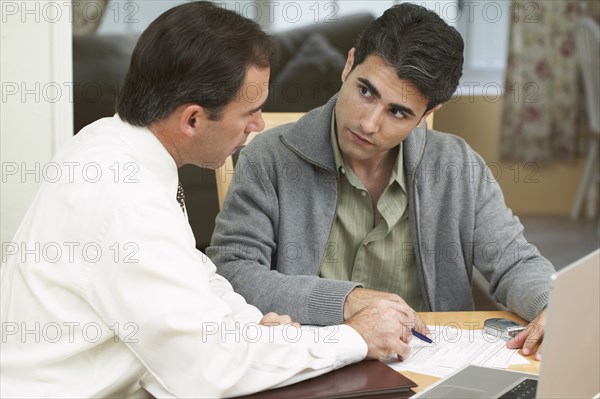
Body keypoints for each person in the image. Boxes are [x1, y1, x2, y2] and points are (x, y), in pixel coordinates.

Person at [0, 2, 426, 398]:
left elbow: (193, 274)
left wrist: (255, 328)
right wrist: (355, 337)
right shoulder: (125, 200)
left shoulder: (113, 144)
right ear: (192, 120)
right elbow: (206, 372)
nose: (259, 124)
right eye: (250, 112)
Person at [207, 3, 555, 361]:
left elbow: (515, 261)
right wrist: (347, 300)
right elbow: (234, 271)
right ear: (349, 64)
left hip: (430, 366)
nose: (369, 124)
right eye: (366, 92)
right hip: (313, 361)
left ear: (427, 114)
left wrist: (553, 305)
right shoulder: (269, 158)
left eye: (398, 112)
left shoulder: (458, 166)